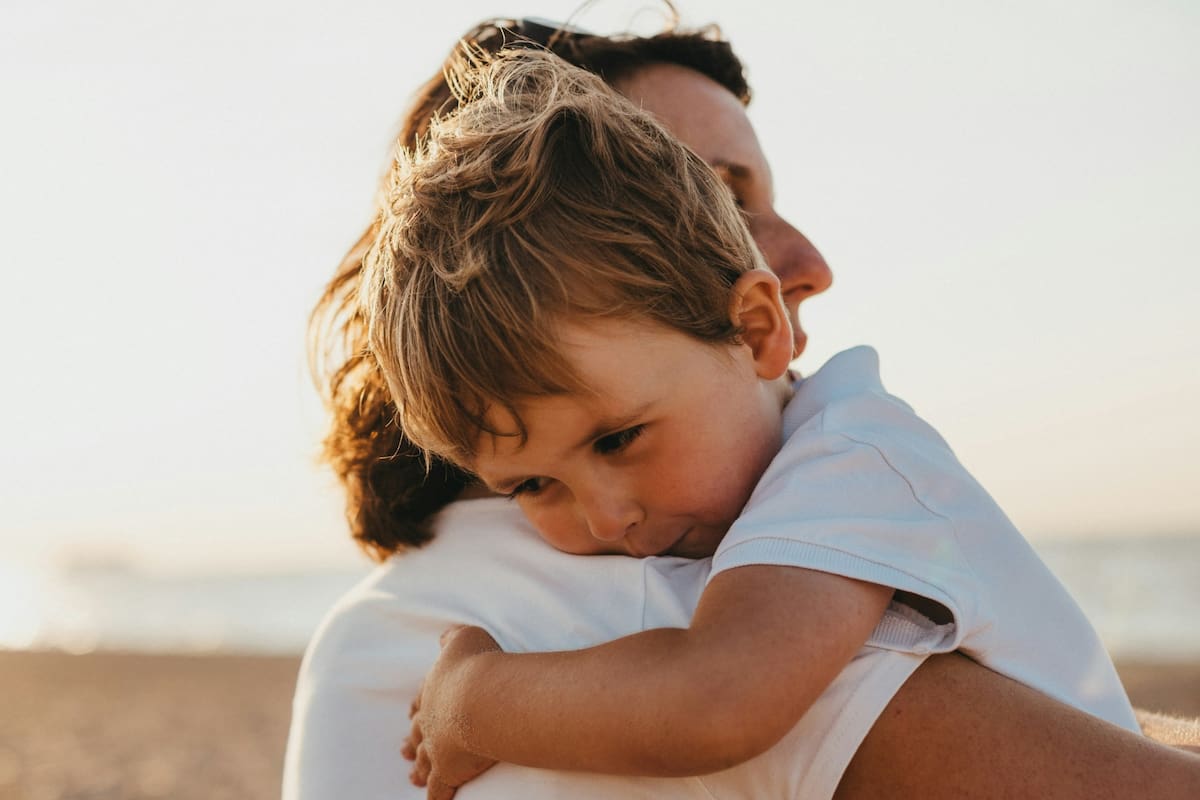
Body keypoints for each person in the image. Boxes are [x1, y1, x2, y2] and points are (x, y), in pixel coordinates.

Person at [285, 16, 1200, 800]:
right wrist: (470, 696)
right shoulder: (639, 589)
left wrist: (474, 698)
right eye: (713, 193)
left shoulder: (828, 468)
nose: (811, 261)